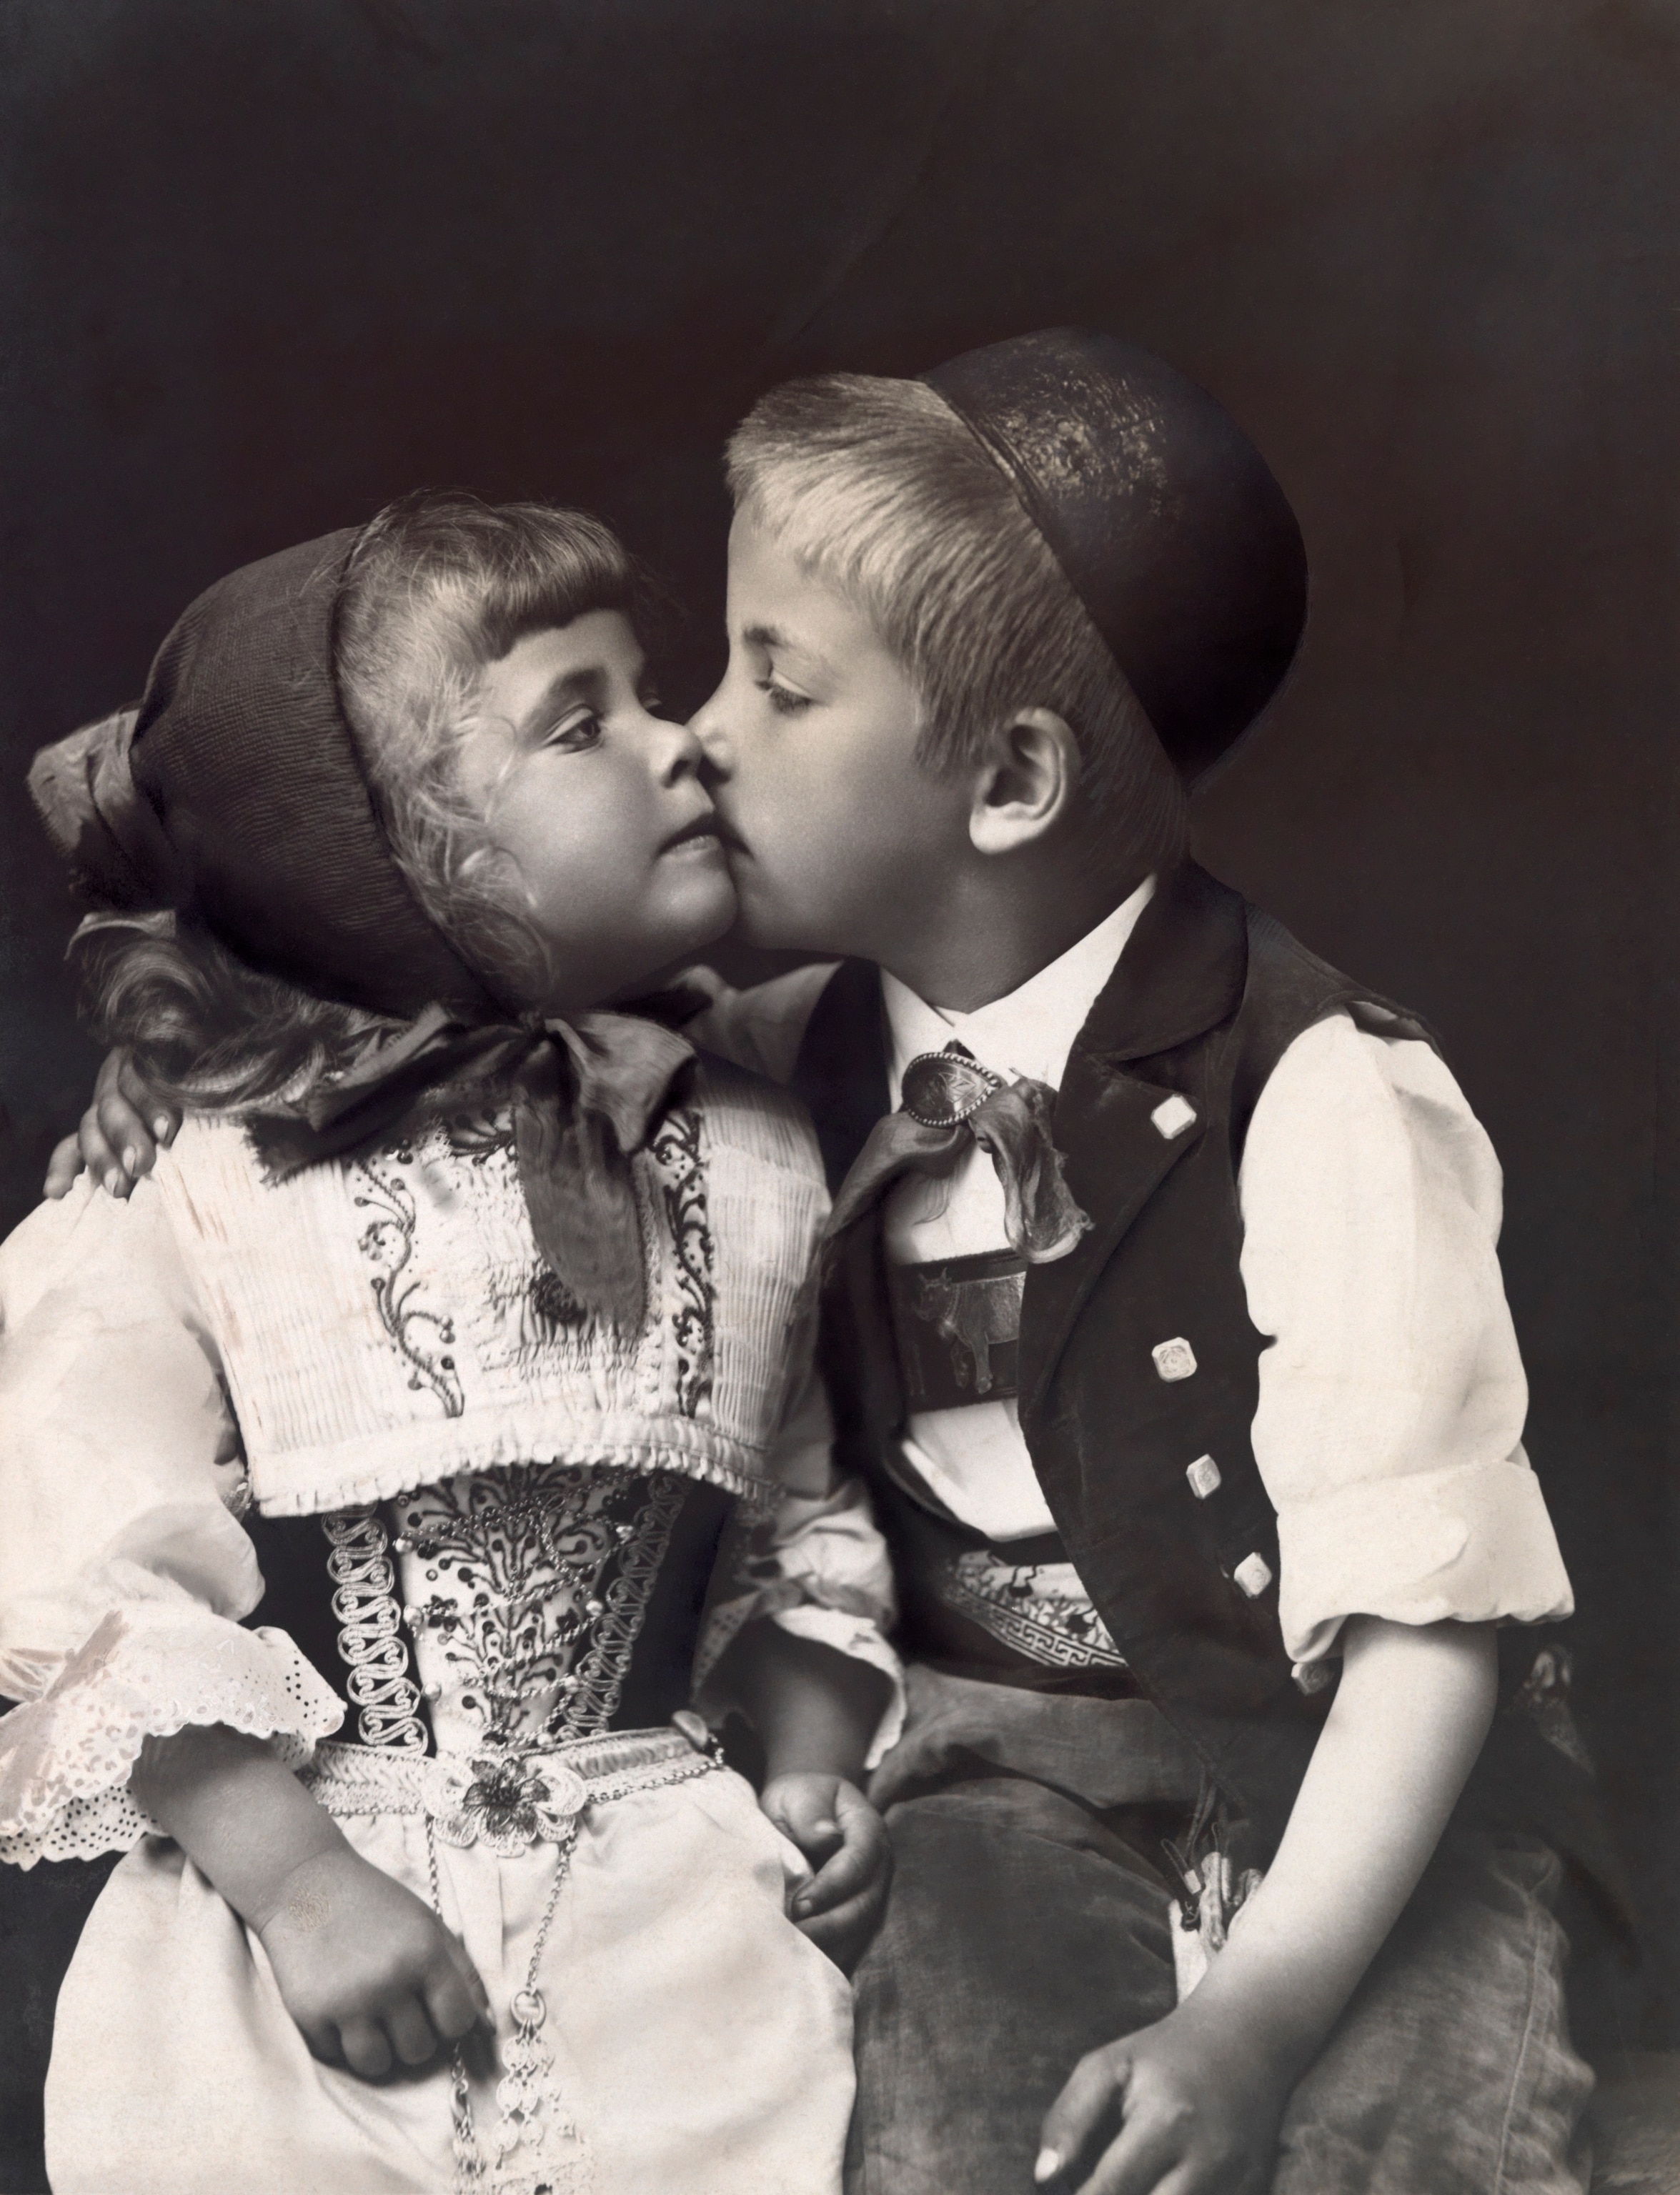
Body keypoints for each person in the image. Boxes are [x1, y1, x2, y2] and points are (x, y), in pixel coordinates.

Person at [69, 334, 1609, 2195]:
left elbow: (1428, 1630)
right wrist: (171, 1076)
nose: (702, 733)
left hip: (1354, 1764)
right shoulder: (758, 1063)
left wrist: (1259, 2011)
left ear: (1013, 779)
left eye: (772, 684)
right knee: (950, 2136)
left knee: (1392, 2142)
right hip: (986, 1778)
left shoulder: (1329, 1092)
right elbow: (417, 991)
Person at [1, 491, 899, 2195]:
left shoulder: (763, 1149)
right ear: (395, 851)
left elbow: (790, 1517)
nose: (684, 745)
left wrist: (809, 1755)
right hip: (301, 1930)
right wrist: (297, 1884)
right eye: (586, 722)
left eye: (653, 693)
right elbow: (74, 1538)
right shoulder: (204, 1171)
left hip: (675, 1934)